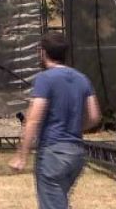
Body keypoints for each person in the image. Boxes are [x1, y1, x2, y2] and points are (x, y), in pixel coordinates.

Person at [9, 33, 102, 209]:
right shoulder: (82, 79)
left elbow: (33, 120)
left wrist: (22, 156)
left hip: (52, 154)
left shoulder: (45, 79)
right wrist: (74, 128)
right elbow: (95, 116)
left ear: (42, 53)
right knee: (59, 201)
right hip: (76, 153)